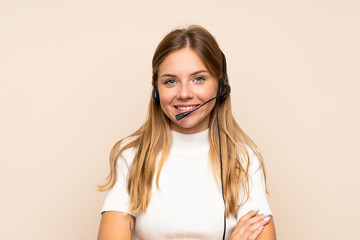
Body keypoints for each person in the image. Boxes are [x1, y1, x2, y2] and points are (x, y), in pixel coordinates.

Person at [97, 25, 276, 240]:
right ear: (156, 90)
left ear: (220, 87)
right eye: (170, 81)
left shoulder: (244, 158)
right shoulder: (132, 156)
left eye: (198, 79)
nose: (184, 94)